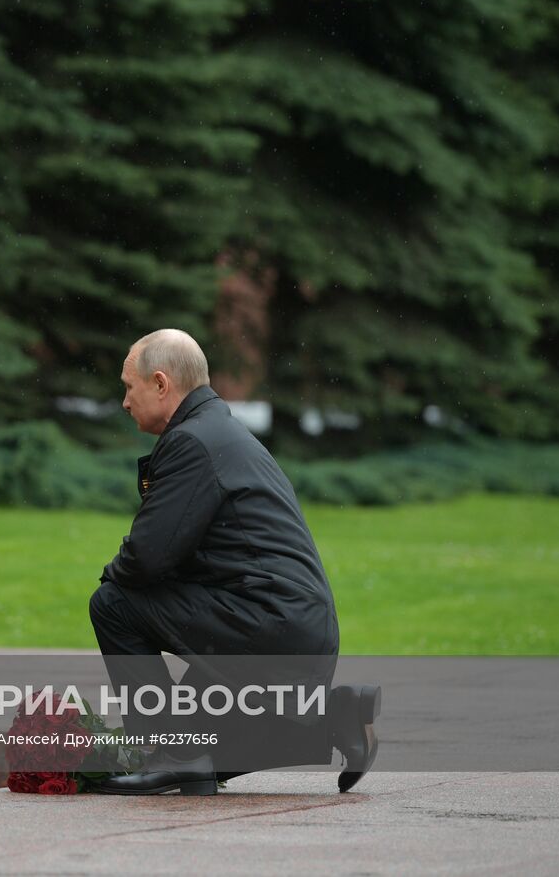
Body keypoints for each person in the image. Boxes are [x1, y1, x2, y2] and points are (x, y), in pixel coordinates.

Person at [88, 329, 380, 794]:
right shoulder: (217, 431)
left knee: (113, 603)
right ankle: (336, 719)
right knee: (212, 758)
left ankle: (172, 749)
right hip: (291, 625)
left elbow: (146, 558)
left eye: (129, 387)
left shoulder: (193, 442)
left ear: (161, 384)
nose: (124, 402)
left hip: (266, 623)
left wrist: (113, 578)